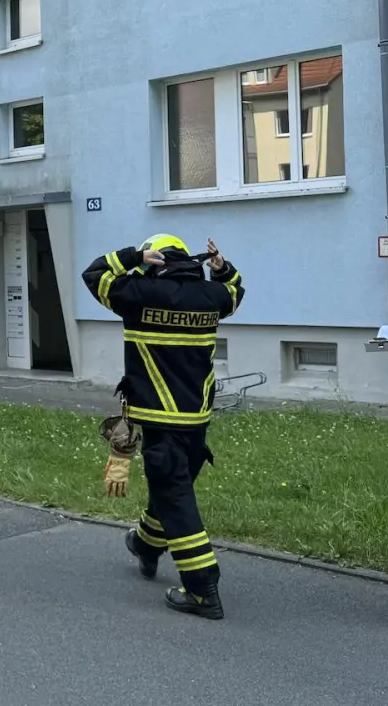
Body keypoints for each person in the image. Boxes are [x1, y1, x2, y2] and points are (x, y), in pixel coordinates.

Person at [82, 233, 243, 620]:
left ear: (156, 261)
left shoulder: (138, 294)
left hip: (157, 417)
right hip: (196, 420)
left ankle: (202, 588)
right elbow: (235, 292)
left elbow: (95, 274)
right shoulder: (211, 297)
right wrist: (222, 268)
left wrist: (134, 256)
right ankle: (146, 545)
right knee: (174, 488)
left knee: (174, 498)